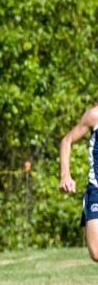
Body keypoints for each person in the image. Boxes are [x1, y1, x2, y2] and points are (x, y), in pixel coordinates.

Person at [56, 103, 98, 261]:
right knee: (96, 252)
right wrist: (65, 175)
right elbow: (66, 141)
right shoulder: (94, 115)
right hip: (96, 189)